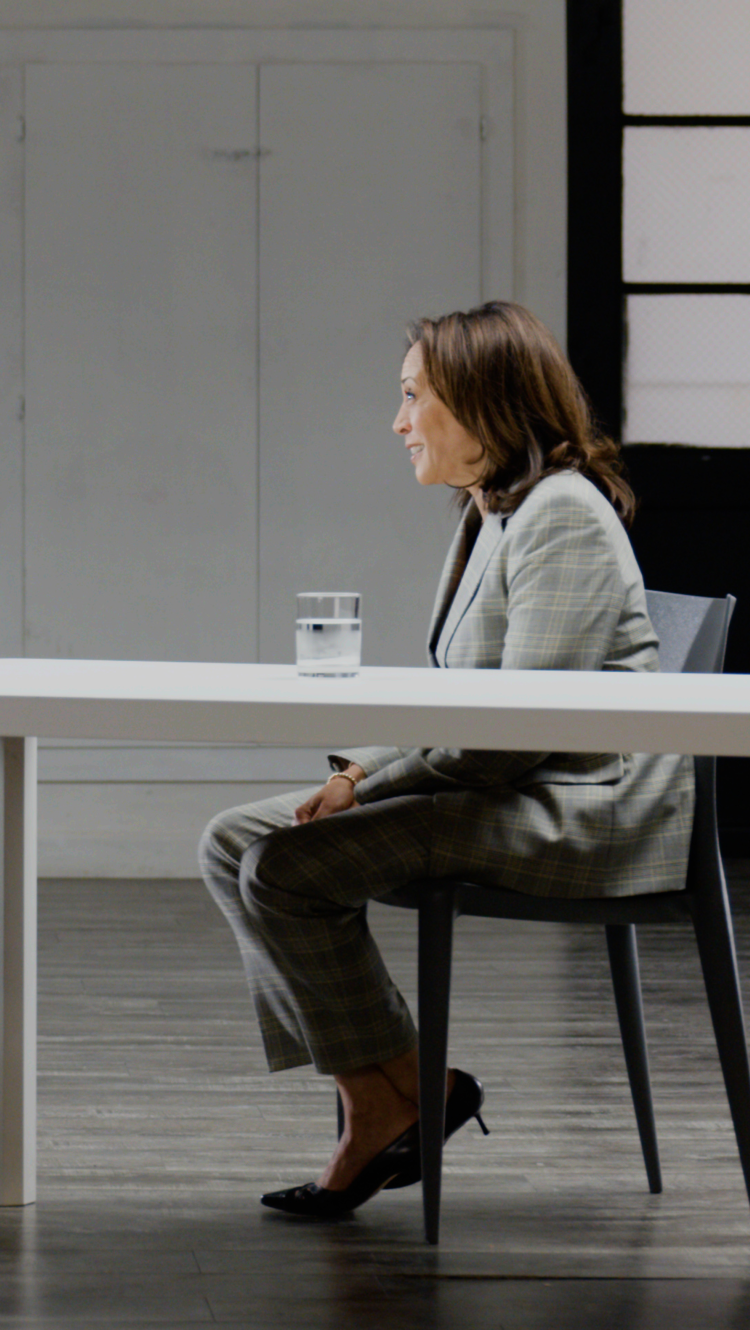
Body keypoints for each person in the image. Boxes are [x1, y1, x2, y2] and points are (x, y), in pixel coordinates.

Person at [198, 301, 692, 1218]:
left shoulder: (563, 519)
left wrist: (363, 784)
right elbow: (457, 708)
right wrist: (353, 775)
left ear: (484, 404)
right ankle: (391, 1096)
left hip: (581, 808)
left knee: (288, 865)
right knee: (235, 841)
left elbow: (501, 738)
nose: (397, 423)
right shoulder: (492, 513)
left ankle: (380, 1108)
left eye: (414, 397)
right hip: (515, 786)